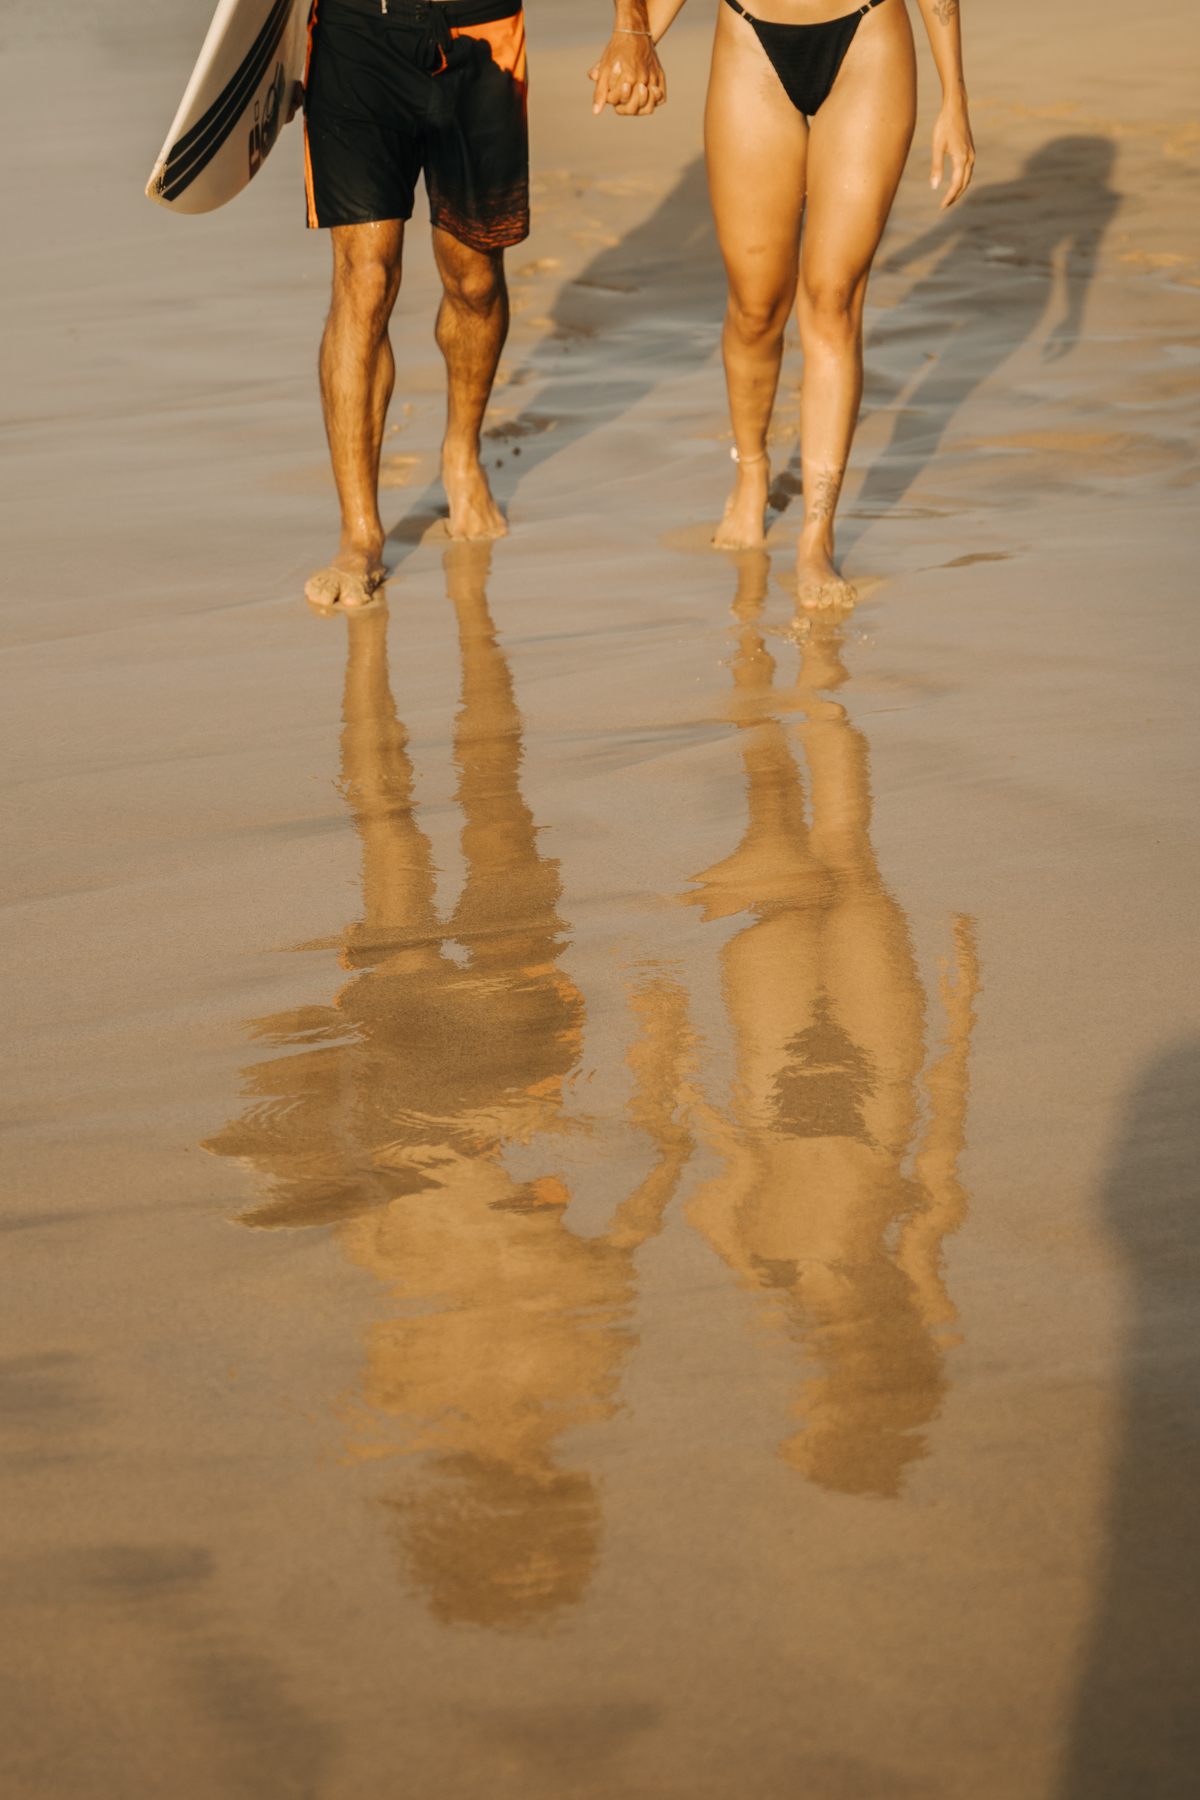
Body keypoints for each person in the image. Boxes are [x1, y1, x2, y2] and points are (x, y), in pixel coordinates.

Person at [590, 0, 976, 608]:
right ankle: (752, 471)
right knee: (756, 307)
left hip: (868, 36)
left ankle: (816, 539)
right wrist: (635, 34)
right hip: (751, 41)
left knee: (832, 299)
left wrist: (954, 96)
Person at [302, 0, 532, 609]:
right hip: (354, 29)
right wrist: (263, 71)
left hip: (481, 30)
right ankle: (359, 532)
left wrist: (629, 25)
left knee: (475, 279)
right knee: (365, 279)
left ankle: (461, 450)